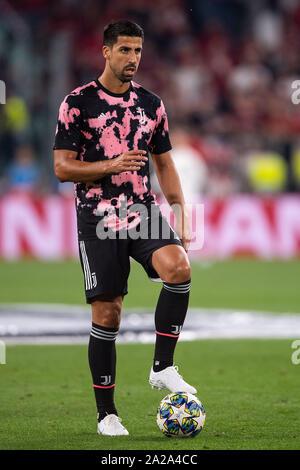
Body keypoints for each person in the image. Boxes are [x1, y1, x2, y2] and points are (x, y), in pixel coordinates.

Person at [53, 20, 196, 437]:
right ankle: (107, 415)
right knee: (108, 314)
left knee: (179, 268)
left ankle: (163, 366)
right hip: (97, 219)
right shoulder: (77, 103)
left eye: (138, 50)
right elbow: (62, 167)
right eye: (125, 50)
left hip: (141, 210)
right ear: (105, 51)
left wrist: (181, 212)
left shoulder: (151, 104)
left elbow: (165, 163)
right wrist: (110, 165)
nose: (132, 58)